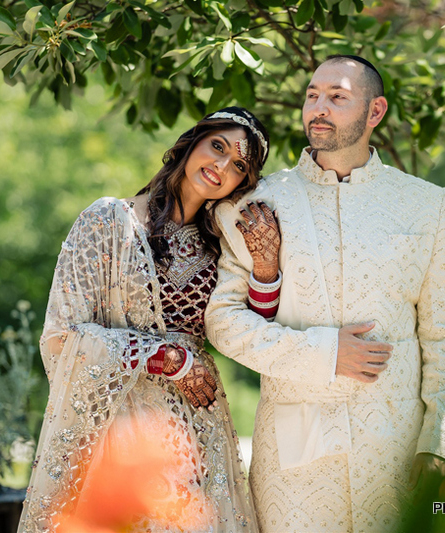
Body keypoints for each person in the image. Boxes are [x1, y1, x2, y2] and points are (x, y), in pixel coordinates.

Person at [205, 56, 445, 532]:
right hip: (293, 461)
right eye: (312, 96)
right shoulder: (257, 202)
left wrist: (438, 441)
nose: (319, 108)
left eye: (337, 97)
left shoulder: (426, 205)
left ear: (375, 111)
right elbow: (224, 322)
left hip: (396, 447)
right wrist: (325, 353)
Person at [18, 107, 281, 533]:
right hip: (116, 434)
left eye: (238, 166)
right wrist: (165, 356)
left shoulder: (224, 247)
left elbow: (251, 334)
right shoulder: (107, 221)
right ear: (191, 141)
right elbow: (62, 337)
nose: (220, 166)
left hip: (196, 435)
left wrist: (266, 266)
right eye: (217, 146)